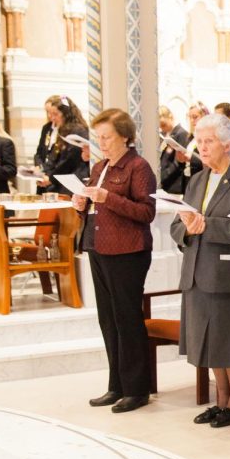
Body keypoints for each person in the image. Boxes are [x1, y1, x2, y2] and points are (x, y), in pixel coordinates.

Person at [172, 112, 230, 428]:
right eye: (201, 141)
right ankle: (220, 399)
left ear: (228, 144)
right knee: (208, 340)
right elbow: (176, 224)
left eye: (209, 141)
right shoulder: (197, 179)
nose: (203, 147)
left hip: (226, 272)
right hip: (196, 269)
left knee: (226, 338)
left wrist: (205, 225)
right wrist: (186, 229)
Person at [73, 108, 157, 413]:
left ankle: (137, 389)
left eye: (107, 137)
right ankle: (116, 385)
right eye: (99, 137)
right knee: (107, 319)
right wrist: (81, 204)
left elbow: (147, 212)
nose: (102, 143)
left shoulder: (138, 167)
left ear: (124, 135)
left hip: (127, 250)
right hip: (98, 246)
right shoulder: (99, 167)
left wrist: (109, 198)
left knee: (127, 318)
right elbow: (95, 209)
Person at [35, 94, 89, 193]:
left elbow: (70, 160)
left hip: (68, 180)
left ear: (66, 113)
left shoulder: (77, 130)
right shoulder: (50, 128)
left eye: (55, 114)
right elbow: (41, 152)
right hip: (52, 178)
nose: (51, 117)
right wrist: (40, 169)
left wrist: (51, 178)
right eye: (48, 113)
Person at [158, 105, 191, 194]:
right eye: (160, 126)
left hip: (175, 184)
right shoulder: (165, 135)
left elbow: (179, 162)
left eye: (163, 125)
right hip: (166, 184)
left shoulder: (182, 134)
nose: (162, 128)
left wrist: (164, 176)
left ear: (170, 117)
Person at [173, 102, 207, 185]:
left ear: (204, 117)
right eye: (190, 117)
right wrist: (181, 159)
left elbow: (210, 160)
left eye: (195, 117)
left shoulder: (208, 137)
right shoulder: (191, 136)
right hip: (188, 178)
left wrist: (190, 159)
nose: (192, 121)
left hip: (201, 180)